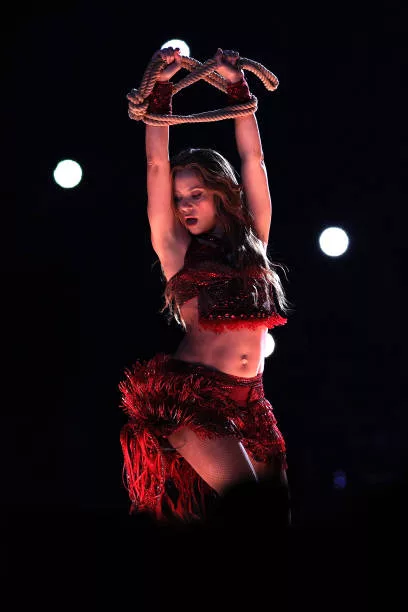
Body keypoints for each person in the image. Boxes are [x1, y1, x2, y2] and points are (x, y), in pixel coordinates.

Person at [119, 46, 293, 525]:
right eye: (180, 200)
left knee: (278, 525)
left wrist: (238, 90)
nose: (186, 207)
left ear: (222, 193)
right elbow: (157, 167)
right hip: (193, 398)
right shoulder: (177, 248)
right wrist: (160, 97)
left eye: (196, 195)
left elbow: (253, 159)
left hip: (253, 398)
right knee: (253, 517)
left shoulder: (253, 236)